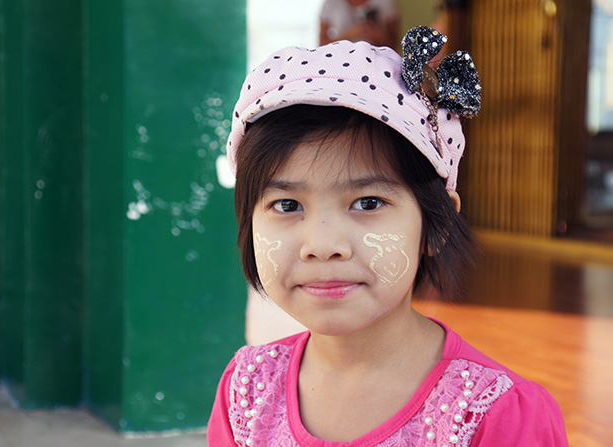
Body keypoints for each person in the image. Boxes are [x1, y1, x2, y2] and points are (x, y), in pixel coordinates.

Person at [208, 26, 568, 446]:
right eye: (287, 205)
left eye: (368, 203)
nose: (323, 246)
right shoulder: (247, 388)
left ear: (436, 226)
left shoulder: (499, 415)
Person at [319, 0, 401, 49]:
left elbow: (395, 45)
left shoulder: (385, 2)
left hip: (377, 64)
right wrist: (347, 36)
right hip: (342, 63)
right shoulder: (331, 4)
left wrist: (378, 36)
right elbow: (321, 46)